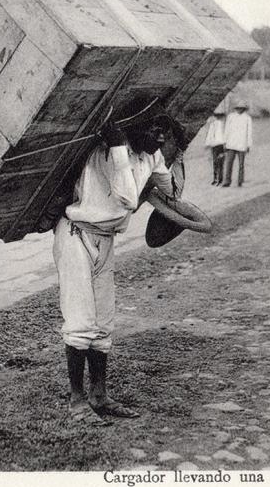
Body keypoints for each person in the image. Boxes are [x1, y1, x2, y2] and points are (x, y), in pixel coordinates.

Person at [52, 101, 185, 426]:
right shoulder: (110, 152)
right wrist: (117, 143)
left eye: (162, 136)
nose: (157, 139)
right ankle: (77, 401)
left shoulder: (150, 154)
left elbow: (167, 187)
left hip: (106, 239)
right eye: (153, 132)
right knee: (81, 319)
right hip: (76, 235)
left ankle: (99, 395)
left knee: (104, 321)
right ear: (137, 128)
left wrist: (169, 175)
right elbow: (127, 197)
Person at [222, 101, 253, 187]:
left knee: (241, 164)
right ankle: (227, 181)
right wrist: (225, 142)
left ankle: (240, 181)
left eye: (241, 108)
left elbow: (249, 132)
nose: (239, 109)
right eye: (238, 108)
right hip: (231, 143)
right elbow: (226, 130)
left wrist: (248, 145)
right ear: (235, 108)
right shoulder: (230, 117)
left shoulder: (247, 118)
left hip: (242, 144)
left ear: (244, 109)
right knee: (229, 163)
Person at [204, 111, 226, 185]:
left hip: (220, 145)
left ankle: (219, 179)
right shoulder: (213, 124)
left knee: (218, 162)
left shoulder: (223, 125)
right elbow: (210, 134)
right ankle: (216, 179)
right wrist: (207, 144)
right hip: (215, 146)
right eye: (217, 116)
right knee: (216, 162)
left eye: (220, 116)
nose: (218, 117)